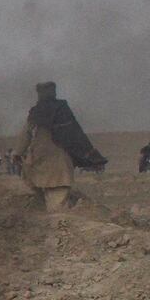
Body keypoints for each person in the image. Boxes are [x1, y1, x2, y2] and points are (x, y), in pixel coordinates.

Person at [14, 81, 107, 211]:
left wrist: (17, 154)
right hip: (59, 167)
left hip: (38, 165)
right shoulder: (63, 111)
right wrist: (92, 157)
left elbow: (25, 135)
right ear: (54, 92)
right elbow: (77, 136)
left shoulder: (35, 113)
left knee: (43, 201)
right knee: (57, 207)